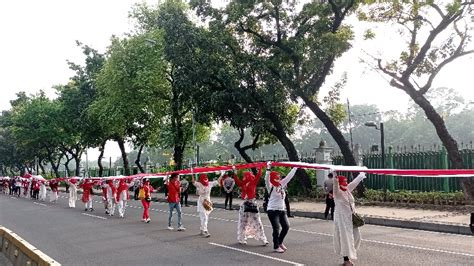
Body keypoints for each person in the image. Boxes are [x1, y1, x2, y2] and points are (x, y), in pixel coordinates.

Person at [333, 171, 367, 266]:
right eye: (343, 182)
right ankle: (346, 260)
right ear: (339, 183)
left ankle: (349, 254)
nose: (346, 183)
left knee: (357, 237)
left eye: (346, 181)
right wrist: (335, 176)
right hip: (342, 220)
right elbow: (335, 186)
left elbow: (354, 183)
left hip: (351, 219)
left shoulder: (347, 190)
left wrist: (361, 175)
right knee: (345, 239)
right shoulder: (337, 193)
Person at [265, 164, 298, 253]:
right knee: (276, 228)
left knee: (286, 227)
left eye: (279, 177)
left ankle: (280, 242)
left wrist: (295, 167)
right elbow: (266, 179)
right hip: (272, 210)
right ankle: (276, 246)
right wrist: (268, 168)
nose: (278, 179)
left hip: (282, 210)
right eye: (276, 177)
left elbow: (288, 177)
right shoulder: (270, 186)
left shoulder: (281, 184)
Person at [233, 166, 269, 246]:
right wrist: (235, 172)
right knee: (243, 222)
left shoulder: (253, 182)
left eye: (245, 176)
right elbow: (237, 181)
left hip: (252, 203)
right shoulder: (243, 184)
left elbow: (259, 175)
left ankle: (263, 238)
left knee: (258, 222)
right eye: (244, 176)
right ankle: (241, 238)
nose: (244, 178)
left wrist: (260, 167)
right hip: (244, 204)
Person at [191, 172, 223, 237]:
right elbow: (193, 182)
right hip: (201, 202)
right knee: (204, 216)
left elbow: (217, 181)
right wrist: (192, 174)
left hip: (207, 201)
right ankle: (205, 230)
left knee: (206, 216)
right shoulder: (199, 184)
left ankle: (202, 229)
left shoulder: (210, 183)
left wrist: (222, 174)